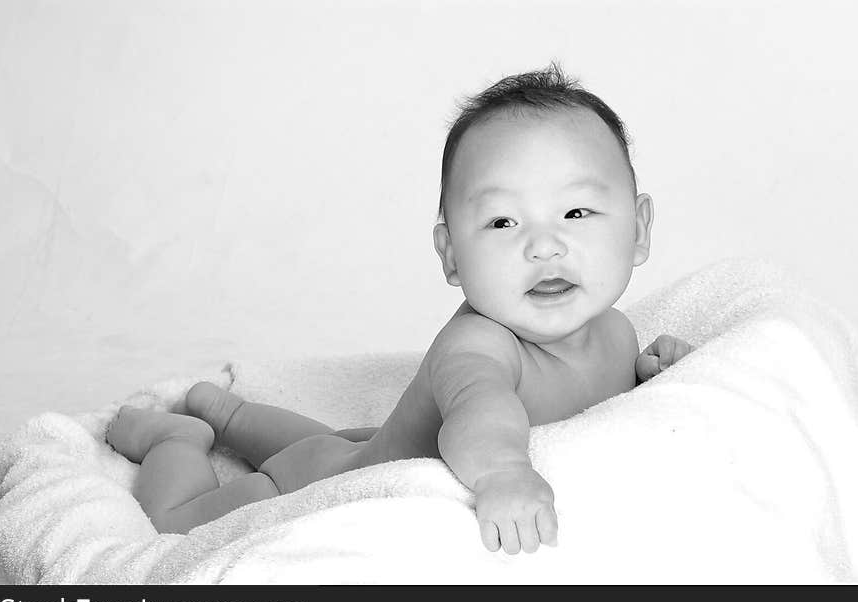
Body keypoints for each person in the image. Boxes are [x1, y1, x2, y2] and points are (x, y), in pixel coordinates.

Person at [106, 62, 694, 554]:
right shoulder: (479, 349)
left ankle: (230, 415)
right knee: (178, 522)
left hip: (359, 449)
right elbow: (480, 418)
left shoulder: (616, 331)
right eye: (502, 221)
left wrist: (653, 368)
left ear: (639, 230)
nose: (543, 245)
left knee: (340, 444)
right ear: (451, 256)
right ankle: (175, 438)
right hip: (318, 486)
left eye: (576, 213)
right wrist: (503, 475)